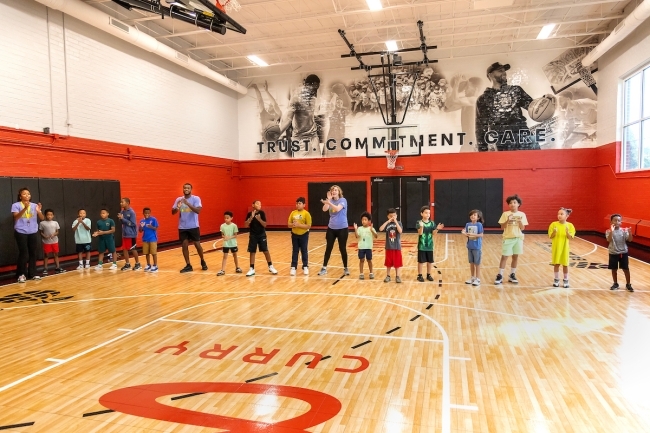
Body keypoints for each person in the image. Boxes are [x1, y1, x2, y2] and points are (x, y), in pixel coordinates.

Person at [475, 62, 538, 151]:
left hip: (525, 137)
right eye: (500, 71)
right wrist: (483, 153)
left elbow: (534, 107)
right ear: (491, 75)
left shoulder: (516, 90)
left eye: (504, 71)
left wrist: (545, 100)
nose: (504, 73)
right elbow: (481, 128)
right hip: (504, 143)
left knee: (536, 163)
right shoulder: (483, 99)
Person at [172, 183, 208, 273]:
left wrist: (187, 203)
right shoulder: (179, 199)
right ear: (183, 189)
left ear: (191, 189)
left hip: (193, 226)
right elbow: (173, 212)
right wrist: (177, 207)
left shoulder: (196, 199)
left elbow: (198, 211)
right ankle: (188, 265)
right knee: (184, 245)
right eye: (184, 188)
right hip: (182, 227)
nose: (186, 189)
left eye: (188, 188)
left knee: (197, 245)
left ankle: (202, 260)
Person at [12, 188, 44, 282]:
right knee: (24, 253)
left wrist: (38, 211)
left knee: (33, 253)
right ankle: (21, 274)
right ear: (20, 196)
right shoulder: (16, 205)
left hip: (33, 231)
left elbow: (42, 218)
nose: (27, 195)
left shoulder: (34, 205)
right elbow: (16, 217)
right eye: (24, 194)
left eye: (28, 194)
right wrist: (25, 208)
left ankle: (32, 273)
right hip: (21, 231)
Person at [495, 194, 528, 285]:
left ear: (518, 204)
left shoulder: (522, 214)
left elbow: (522, 228)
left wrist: (520, 222)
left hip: (518, 238)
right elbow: (502, 227)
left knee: (515, 257)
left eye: (514, 202)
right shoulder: (505, 214)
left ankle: (512, 274)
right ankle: (500, 275)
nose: (512, 204)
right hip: (508, 238)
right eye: (510, 203)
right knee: (504, 256)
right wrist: (507, 221)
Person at [318, 185, 349, 276]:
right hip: (331, 228)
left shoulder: (343, 200)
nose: (334, 191)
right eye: (332, 190)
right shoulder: (330, 200)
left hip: (342, 228)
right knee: (328, 248)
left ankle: (346, 268)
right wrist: (328, 201)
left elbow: (337, 208)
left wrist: (329, 202)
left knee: (342, 248)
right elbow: (324, 209)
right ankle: (324, 268)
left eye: (335, 190)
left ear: (339, 192)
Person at [244, 200, 278, 276]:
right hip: (253, 235)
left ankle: (270, 266)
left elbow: (265, 225)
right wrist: (251, 218)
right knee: (252, 251)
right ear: (253, 205)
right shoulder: (249, 214)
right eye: (257, 203)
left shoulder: (262, 213)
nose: (259, 205)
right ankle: (252, 268)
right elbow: (245, 225)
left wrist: (259, 219)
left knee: (265, 250)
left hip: (261, 235)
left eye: (260, 204)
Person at [548, 207, 576, 288]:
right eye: (558, 214)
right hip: (556, 248)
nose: (559, 215)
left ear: (567, 216)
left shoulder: (570, 226)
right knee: (556, 264)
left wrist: (567, 232)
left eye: (561, 214)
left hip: (565, 248)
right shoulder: (553, 224)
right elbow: (551, 236)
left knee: (565, 265)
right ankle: (556, 279)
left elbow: (570, 237)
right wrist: (554, 232)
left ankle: (566, 280)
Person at [606, 214, 634, 292]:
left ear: (621, 222)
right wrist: (612, 231)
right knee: (614, 269)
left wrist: (630, 232)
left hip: (623, 253)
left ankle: (628, 284)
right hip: (613, 252)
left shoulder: (624, 231)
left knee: (626, 269)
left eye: (619, 220)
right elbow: (608, 240)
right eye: (615, 220)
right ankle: (615, 283)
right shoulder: (608, 231)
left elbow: (630, 240)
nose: (617, 222)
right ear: (611, 221)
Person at [416, 206, 444, 282]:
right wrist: (421, 226)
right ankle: (420, 275)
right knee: (421, 261)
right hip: (422, 245)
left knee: (430, 261)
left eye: (429, 213)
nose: (428, 214)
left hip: (430, 245)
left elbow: (433, 233)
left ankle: (428, 274)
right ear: (421, 214)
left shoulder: (432, 223)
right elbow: (420, 233)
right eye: (426, 213)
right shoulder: (419, 222)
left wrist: (437, 228)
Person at [288, 197, 312, 276]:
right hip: (294, 234)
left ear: (304, 205)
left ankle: (305, 266)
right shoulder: (293, 213)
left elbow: (308, 226)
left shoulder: (306, 213)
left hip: (304, 235)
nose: (298, 205)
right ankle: (293, 267)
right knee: (295, 251)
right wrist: (293, 225)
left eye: (299, 203)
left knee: (304, 250)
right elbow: (289, 224)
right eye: (297, 203)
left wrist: (299, 225)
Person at [379, 208, 403, 283]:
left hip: (396, 247)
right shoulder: (387, 224)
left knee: (397, 263)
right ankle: (388, 276)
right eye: (390, 216)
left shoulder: (399, 223)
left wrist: (395, 221)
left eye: (394, 215)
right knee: (388, 262)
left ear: (397, 215)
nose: (393, 217)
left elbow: (400, 231)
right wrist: (387, 222)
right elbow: (380, 229)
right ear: (388, 216)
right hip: (389, 246)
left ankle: (397, 276)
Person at [462, 209, 484, 286]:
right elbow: (466, 234)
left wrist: (473, 234)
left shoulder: (479, 225)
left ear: (478, 217)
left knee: (477, 263)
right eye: (471, 215)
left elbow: (481, 235)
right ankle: (472, 277)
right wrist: (464, 233)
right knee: (471, 263)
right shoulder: (468, 224)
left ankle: (478, 279)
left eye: (475, 215)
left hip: (477, 247)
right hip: (469, 246)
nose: (473, 216)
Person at [39, 209, 65, 276]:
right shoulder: (42, 223)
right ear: (45, 215)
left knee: (56, 254)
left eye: (51, 215)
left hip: (54, 241)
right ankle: (45, 268)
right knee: (46, 255)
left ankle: (57, 267)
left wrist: (54, 234)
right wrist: (44, 236)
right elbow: (41, 232)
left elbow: (57, 231)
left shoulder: (55, 223)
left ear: (53, 216)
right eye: (48, 215)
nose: (49, 216)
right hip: (46, 242)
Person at [118, 198, 141, 271]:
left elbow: (133, 223)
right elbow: (123, 222)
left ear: (127, 203)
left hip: (131, 234)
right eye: (120, 202)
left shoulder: (131, 212)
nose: (121, 203)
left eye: (122, 202)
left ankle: (138, 264)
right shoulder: (122, 211)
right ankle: (127, 264)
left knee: (133, 249)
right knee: (124, 249)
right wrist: (120, 219)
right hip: (125, 233)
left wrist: (123, 219)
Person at [354, 212, 378, 280]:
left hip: (368, 247)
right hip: (361, 247)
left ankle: (371, 273)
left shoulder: (371, 228)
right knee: (361, 260)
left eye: (365, 220)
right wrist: (355, 229)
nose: (363, 221)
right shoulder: (360, 228)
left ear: (369, 221)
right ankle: (361, 273)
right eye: (362, 220)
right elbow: (357, 236)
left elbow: (376, 236)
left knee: (369, 260)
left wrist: (372, 230)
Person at [217, 211, 242, 276]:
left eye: (227, 218)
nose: (226, 219)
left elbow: (235, 235)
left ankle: (237, 267)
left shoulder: (234, 226)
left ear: (231, 218)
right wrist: (224, 237)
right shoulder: (222, 226)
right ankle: (222, 270)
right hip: (226, 244)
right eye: (225, 218)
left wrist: (229, 237)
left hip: (233, 244)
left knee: (235, 255)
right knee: (225, 256)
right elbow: (222, 235)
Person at [139, 207, 159, 272]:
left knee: (153, 253)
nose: (147, 214)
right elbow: (140, 231)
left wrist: (151, 227)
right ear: (143, 213)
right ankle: (148, 264)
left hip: (152, 238)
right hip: (145, 239)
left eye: (148, 213)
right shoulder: (142, 221)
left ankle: (155, 265)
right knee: (146, 253)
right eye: (145, 213)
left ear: (150, 213)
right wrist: (141, 227)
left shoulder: (153, 219)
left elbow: (156, 228)